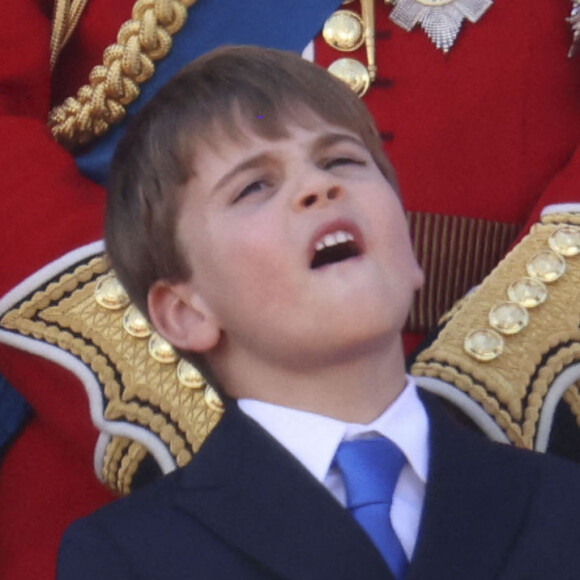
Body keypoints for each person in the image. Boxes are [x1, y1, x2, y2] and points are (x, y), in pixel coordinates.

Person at [57, 46, 580, 580]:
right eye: (254, 186)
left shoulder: (565, 508)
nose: (318, 186)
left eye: (341, 161)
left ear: (410, 251)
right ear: (186, 312)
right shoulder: (129, 556)